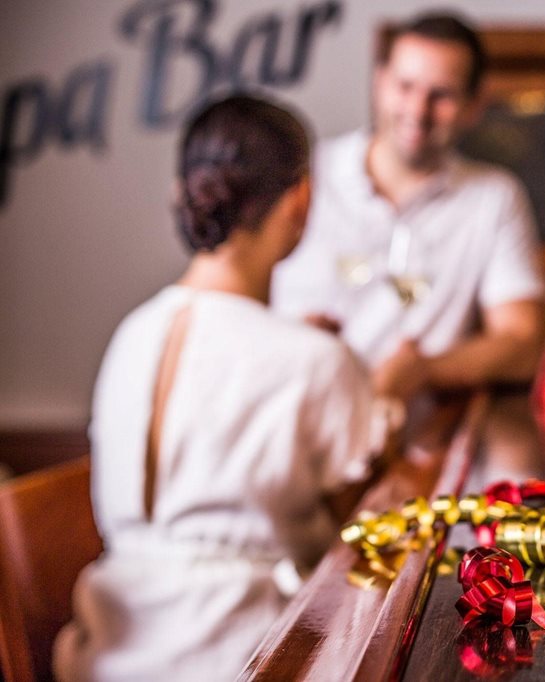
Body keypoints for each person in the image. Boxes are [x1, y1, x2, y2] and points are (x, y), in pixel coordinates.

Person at [54, 95, 385, 681]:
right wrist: (380, 390)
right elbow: (363, 515)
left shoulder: (132, 333)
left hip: (102, 656)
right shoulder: (314, 359)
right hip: (249, 657)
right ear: (301, 199)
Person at [271, 12, 545, 402]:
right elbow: (233, 296)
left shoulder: (493, 197)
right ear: (379, 82)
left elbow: (522, 342)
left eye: (442, 95)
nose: (418, 110)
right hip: (297, 410)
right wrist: (290, 343)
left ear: (474, 105)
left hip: (419, 430)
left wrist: (424, 371)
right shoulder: (302, 175)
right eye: (405, 86)